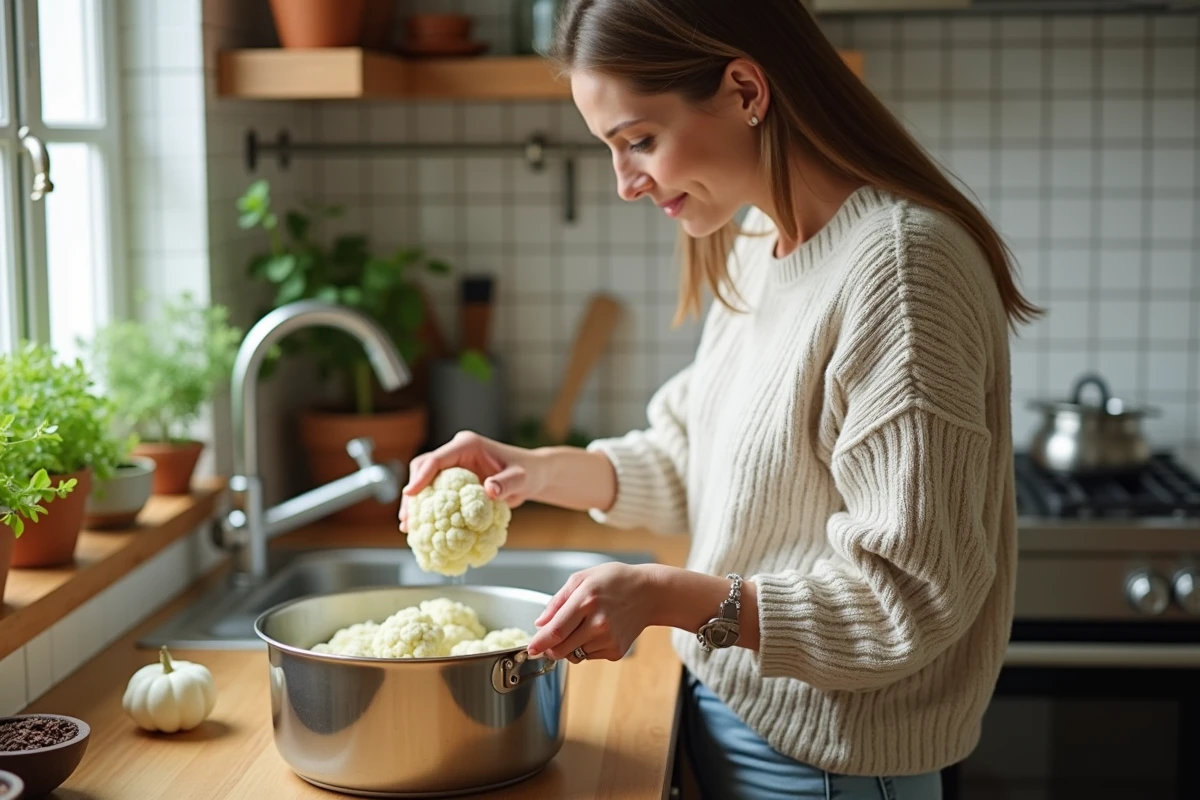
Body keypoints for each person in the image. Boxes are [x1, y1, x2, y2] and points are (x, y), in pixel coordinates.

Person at [400, 1, 1039, 797]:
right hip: (731, 711)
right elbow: (692, 455)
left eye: (639, 141)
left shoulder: (902, 272)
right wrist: (528, 472)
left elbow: (904, 599)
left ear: (744, 90)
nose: (627, 183)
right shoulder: (755, 243)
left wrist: (671, 596)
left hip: (829, 764)